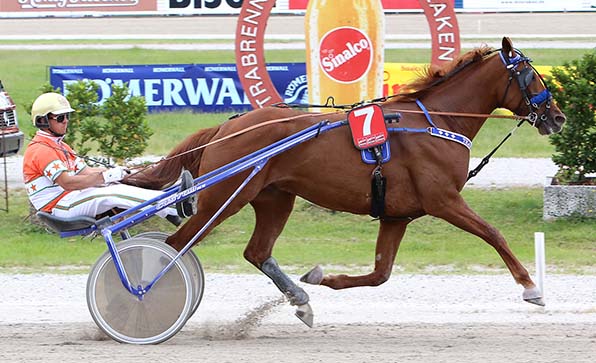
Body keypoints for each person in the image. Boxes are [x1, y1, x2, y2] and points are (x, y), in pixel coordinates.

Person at [22, 92, 180, 225]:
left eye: (67, 116)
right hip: (58, 207)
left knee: (114, 185)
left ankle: (169, 203)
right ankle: (170, 205)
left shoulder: (60, 146)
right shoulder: (41, 149)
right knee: (110, 194)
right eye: (60, 118)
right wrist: (105, 176)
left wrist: (119, 172)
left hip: (69, 200)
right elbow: (67, 183)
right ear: (43, 120)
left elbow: (87, 171)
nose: (66, 121)